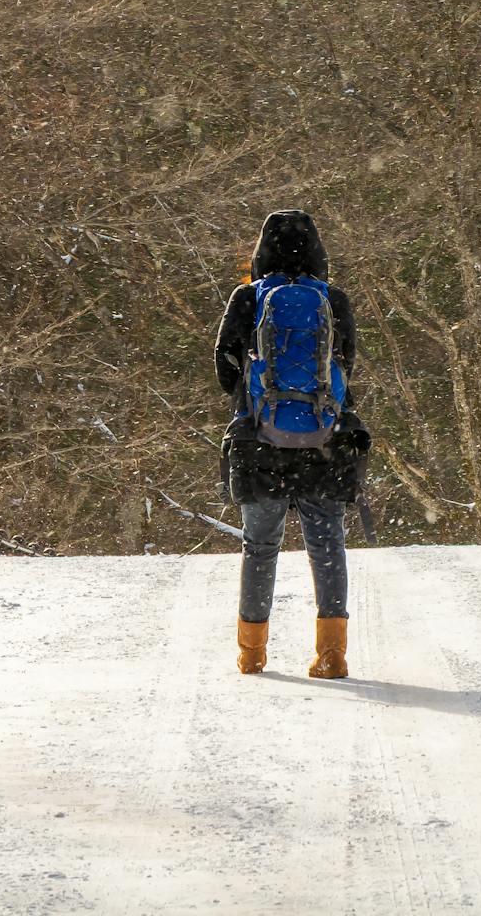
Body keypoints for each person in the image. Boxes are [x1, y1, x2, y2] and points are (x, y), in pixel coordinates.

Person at [215, 208, 370, 679]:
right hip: (324, 440)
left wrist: (255, 390)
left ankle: (252, 653)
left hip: (262, 440)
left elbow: (224, 371)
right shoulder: (333, 299)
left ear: (262, 252)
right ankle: (331, 655)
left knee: (260, 545)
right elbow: (348, 363)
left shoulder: (248, 298)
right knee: (327, 544)